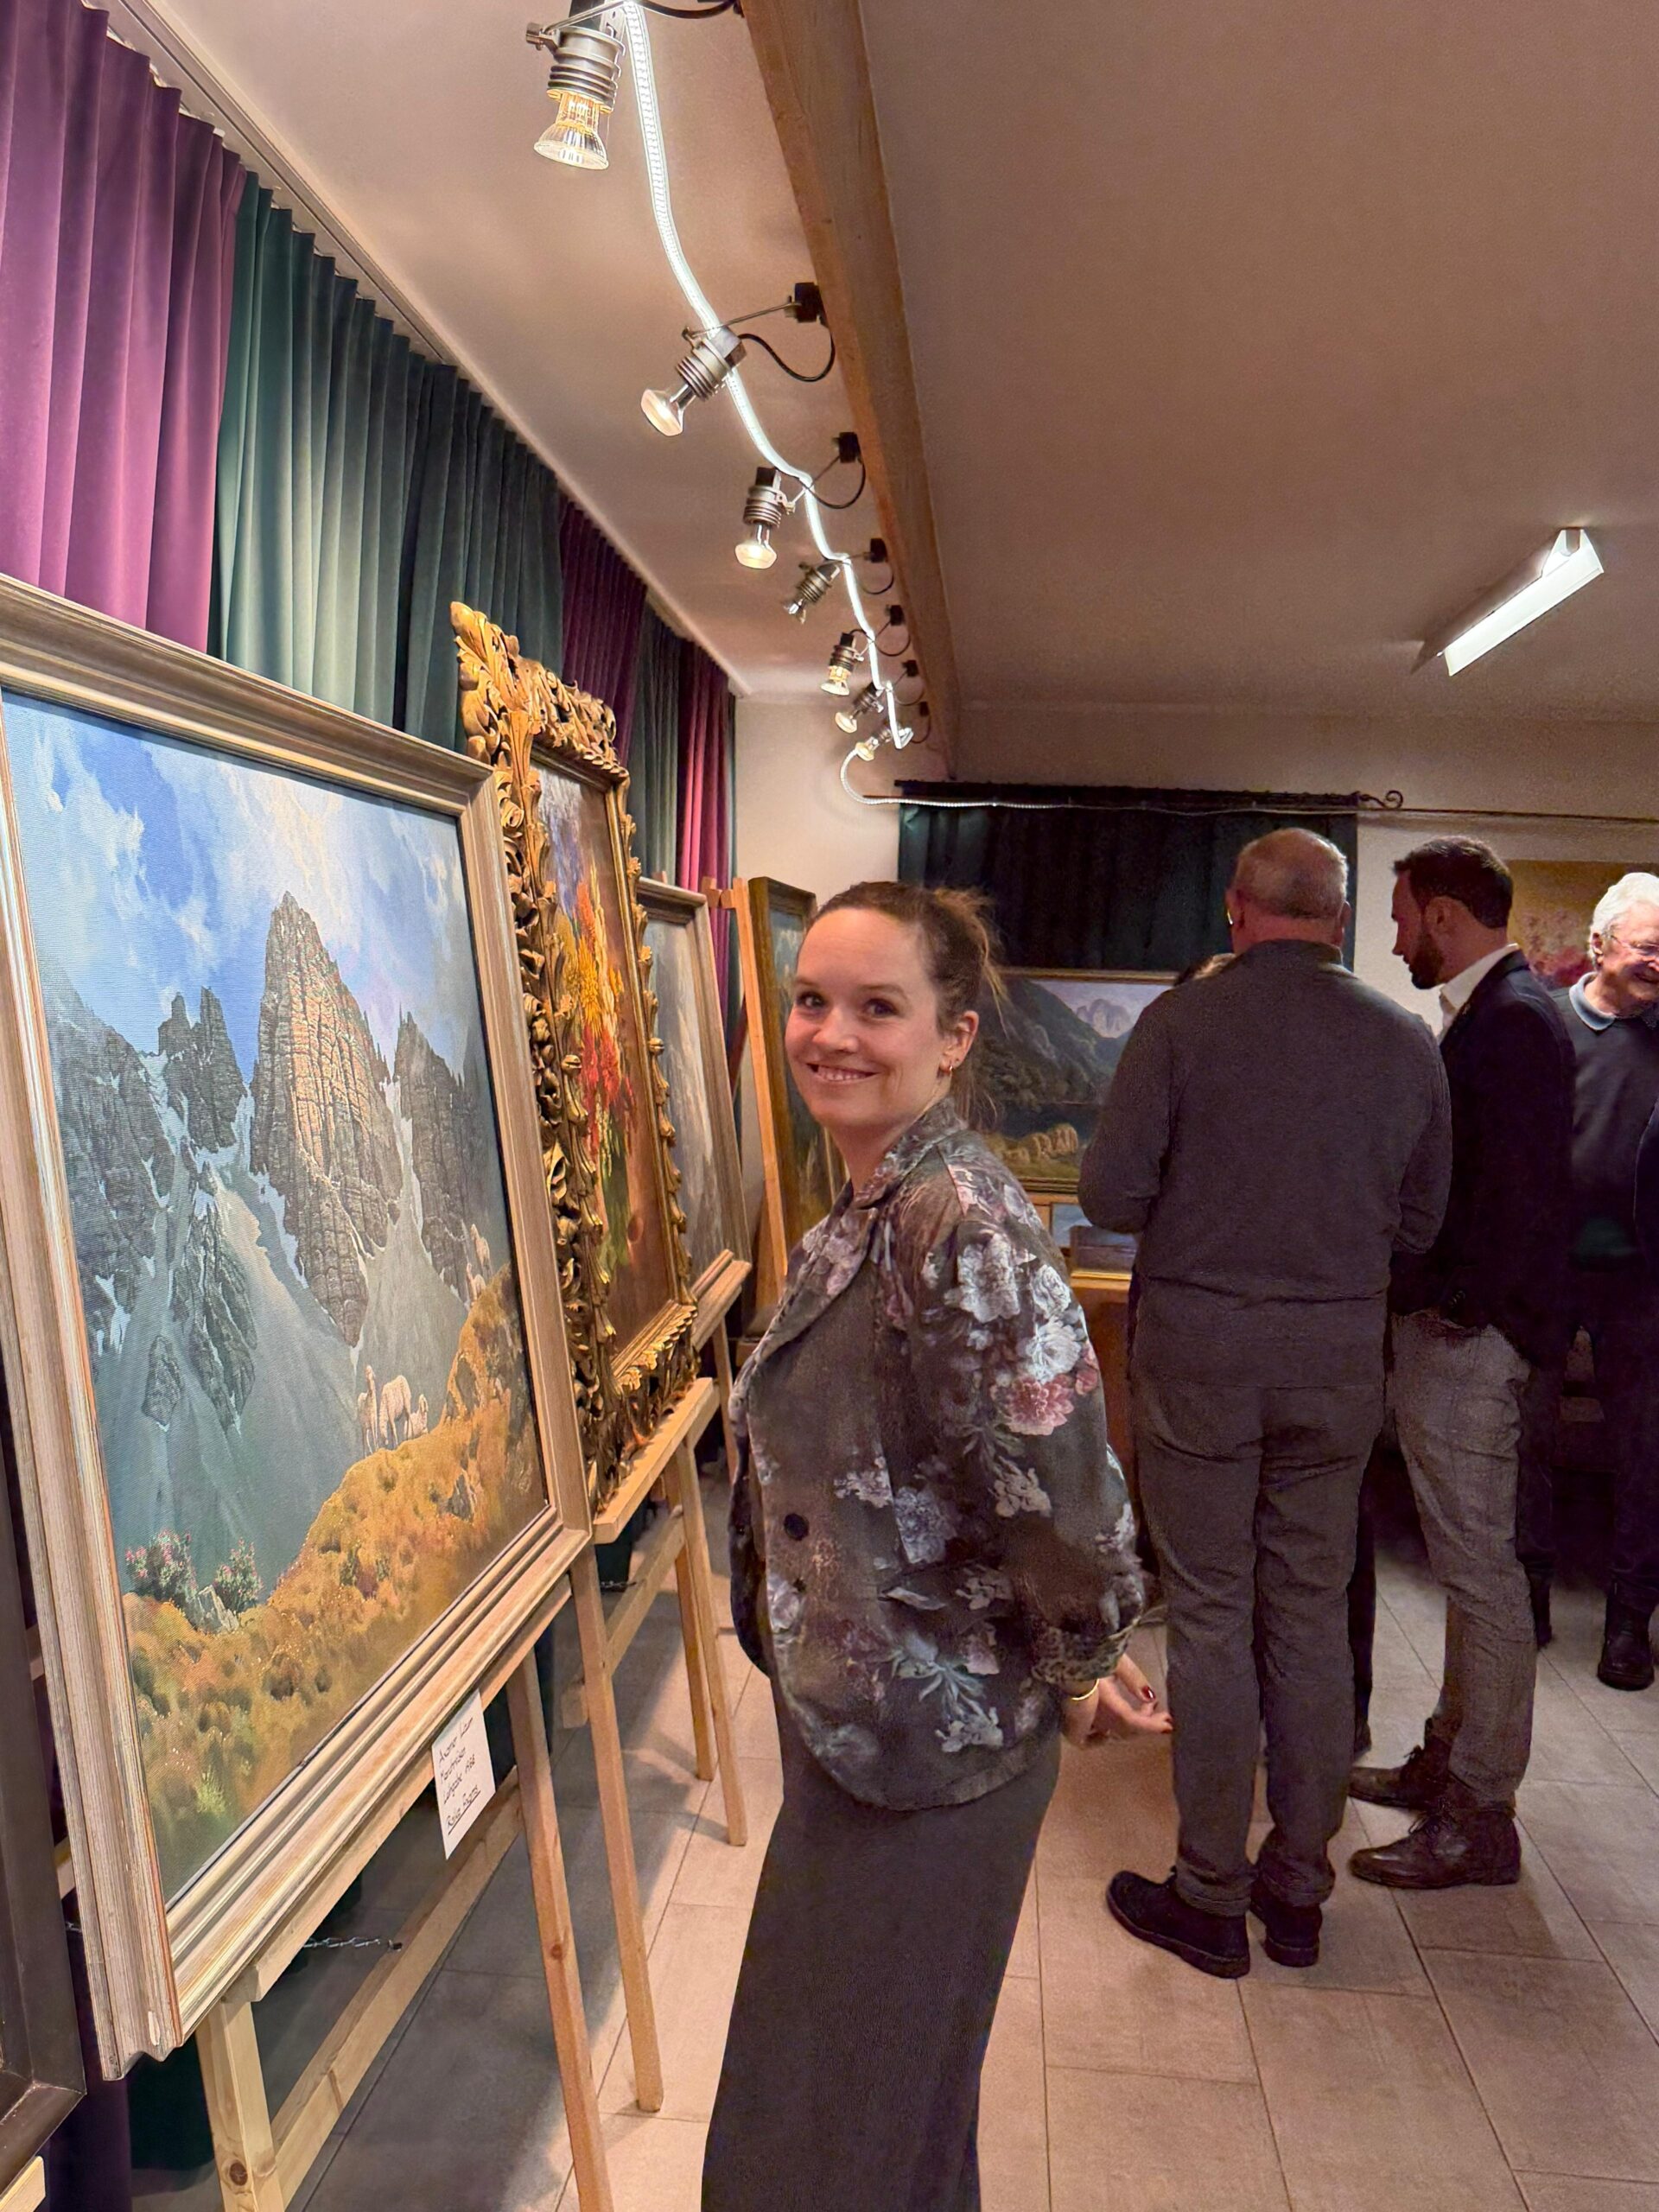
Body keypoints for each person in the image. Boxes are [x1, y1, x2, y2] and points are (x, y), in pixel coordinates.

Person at [702, 881, 1163, 2212]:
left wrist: (1084, 1660)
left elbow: (1059, 1482)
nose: (831, 1034)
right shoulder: (875, 1200)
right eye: (811, 1001)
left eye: (878, 1008)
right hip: (874, 1720)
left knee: (826, 2137)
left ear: (954, 1036)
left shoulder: (960, 1220)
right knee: (882, 2121)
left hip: (929, 1752)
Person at [1079, 827, 1451, 1977]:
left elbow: (1111, 1195)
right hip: (1337, 1359)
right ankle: (1298, 1889)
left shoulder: (1181, 1024)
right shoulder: (1405, 1040)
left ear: (1237, 910)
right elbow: (1423, 1221)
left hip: (1200, 1352)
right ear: (1339, 918)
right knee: (1308, 1610)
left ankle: (1208, 1889)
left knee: (1210, 1612)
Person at [1349, 838, 1574, 1891]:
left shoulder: (1515, 1019)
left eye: (1402, 917)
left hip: (1473, 1338)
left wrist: (1452, 1305)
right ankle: (1448, 1758)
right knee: (1467, 1567)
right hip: (1468, 1327)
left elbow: (1514, 1198)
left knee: (1482, 1575)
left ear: (1443, 914)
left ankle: (1481, 1809)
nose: (1397, 939)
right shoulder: (1502, 1011)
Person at [1518, 871, 1659, 1690]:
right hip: (1547, 1273)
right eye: (1648, 947)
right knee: (1524, 1438)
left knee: (1648, 1454)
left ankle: (1630, 1624)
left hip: (1643, 1283)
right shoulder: (1545, 1026)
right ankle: (1528, 1597)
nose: (1658, 963)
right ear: (1600, 945)